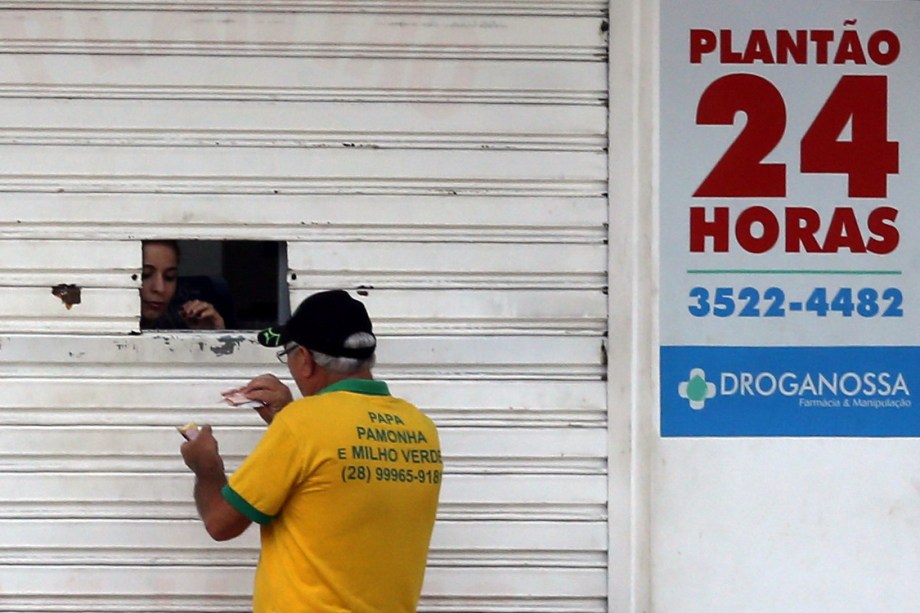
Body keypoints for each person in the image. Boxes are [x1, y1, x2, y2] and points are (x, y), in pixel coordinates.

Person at [180, 289, 443, 612]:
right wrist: (288, 417)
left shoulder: (301, 425)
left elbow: (221, 523)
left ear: (304, 359)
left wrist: (206, 466)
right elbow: (334, 485)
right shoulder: (420, 428)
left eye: (286, 355)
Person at [141, 240, 225, 330]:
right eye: (145, 275)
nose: (160, 288)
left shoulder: (178, 326)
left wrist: (210, 338)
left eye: (169, 277)